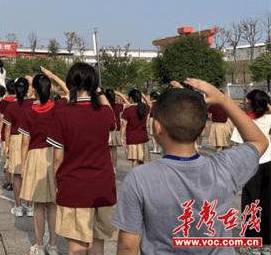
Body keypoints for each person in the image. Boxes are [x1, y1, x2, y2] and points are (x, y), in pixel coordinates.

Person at [113, 79, 269, 255]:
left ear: (157, 127)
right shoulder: (225, 168)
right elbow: (259, 141)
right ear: (203, 129)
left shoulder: (139, 178)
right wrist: (223, 100)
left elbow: (127, 245)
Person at [47, 62, 117, 255]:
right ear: (94, 85)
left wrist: (57, 183)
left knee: (76, 246)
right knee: (97, 244)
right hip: (102, 186)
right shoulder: (105, 114)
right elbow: (109, 110)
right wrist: (99, 91)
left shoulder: (63, 114)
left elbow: (57, 160)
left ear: (71, 84)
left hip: (74, 185)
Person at [19, 74, 59, 255]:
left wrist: (24, 164)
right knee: (53, 204)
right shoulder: (57, 109)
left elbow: (25, 141)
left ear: (34, 89)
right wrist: (51, 76)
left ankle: (39, 245)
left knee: (39, 206)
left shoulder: (29, 111)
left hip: (35, 157)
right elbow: (66, 92)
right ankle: (53, 245)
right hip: (54, 155)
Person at [231, 89, 271, 248]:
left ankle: (252, 240)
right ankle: (268, 241)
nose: (244, 104)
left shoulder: (245, 122)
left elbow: (238, 147)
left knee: (251, 203)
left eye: (246, 101)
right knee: (268, 202)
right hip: (270, 164)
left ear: (252, 103)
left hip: (252, 166)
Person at [3, 77, 34, 218]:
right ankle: (30, 205)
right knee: (30, 174)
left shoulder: (11, 106)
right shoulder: (33, 104)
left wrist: (7, 145)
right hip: (32, 140)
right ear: (28, 88)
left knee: (16, 175)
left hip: (16, 140)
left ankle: (18, 206)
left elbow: (7, 129)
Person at [121, 89, 150, 167]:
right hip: (143, 137)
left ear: (131, 98)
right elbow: (150, 104)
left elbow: (124, 126)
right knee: (141, 160)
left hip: (132, 138)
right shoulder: (146, 108)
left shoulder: (127, 110)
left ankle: (135, 176)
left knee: (134, 161)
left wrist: (122, 138)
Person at [105, 89, 123, 171]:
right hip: (116, 130)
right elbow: (128, 104)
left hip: (107, 130)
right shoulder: (119, 106)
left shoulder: (104, 105)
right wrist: (119, 94)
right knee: (114, 150)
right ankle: (114, 168)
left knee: (107, 151)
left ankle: (108, 167)